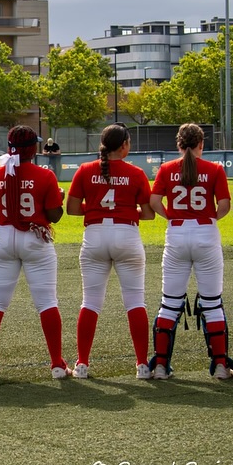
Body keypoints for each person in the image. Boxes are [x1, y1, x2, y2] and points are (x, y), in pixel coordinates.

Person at [0, 125, 68, 379]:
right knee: (47, 302)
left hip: (4, 237)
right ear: (33, 149)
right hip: (35, 237)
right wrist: (59, 197)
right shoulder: (45, 175)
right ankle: (57, 365)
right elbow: (54, 216)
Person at [66, 123, 155, 380]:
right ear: (124, 145)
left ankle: (82, 364)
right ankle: (142, 365)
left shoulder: (85, 170)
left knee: (90, 302)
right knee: (135, 302)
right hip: (126, 235)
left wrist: (97, 209)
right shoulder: (136, 173)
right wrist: (124, 211)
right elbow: (148, 214)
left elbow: (72, 208)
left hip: (95, 235)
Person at [148, 123, 233, 380]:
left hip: (176, 233)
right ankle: (220, 365)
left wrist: (171, 217)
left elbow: (154, 201)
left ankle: (160, 366)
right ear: (201, 144)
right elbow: (225, 205)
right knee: (212, 303)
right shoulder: (214, 169)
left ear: (178, 144)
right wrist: (208, 219)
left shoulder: (166, 169)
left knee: (169, 303)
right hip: (205, 232)